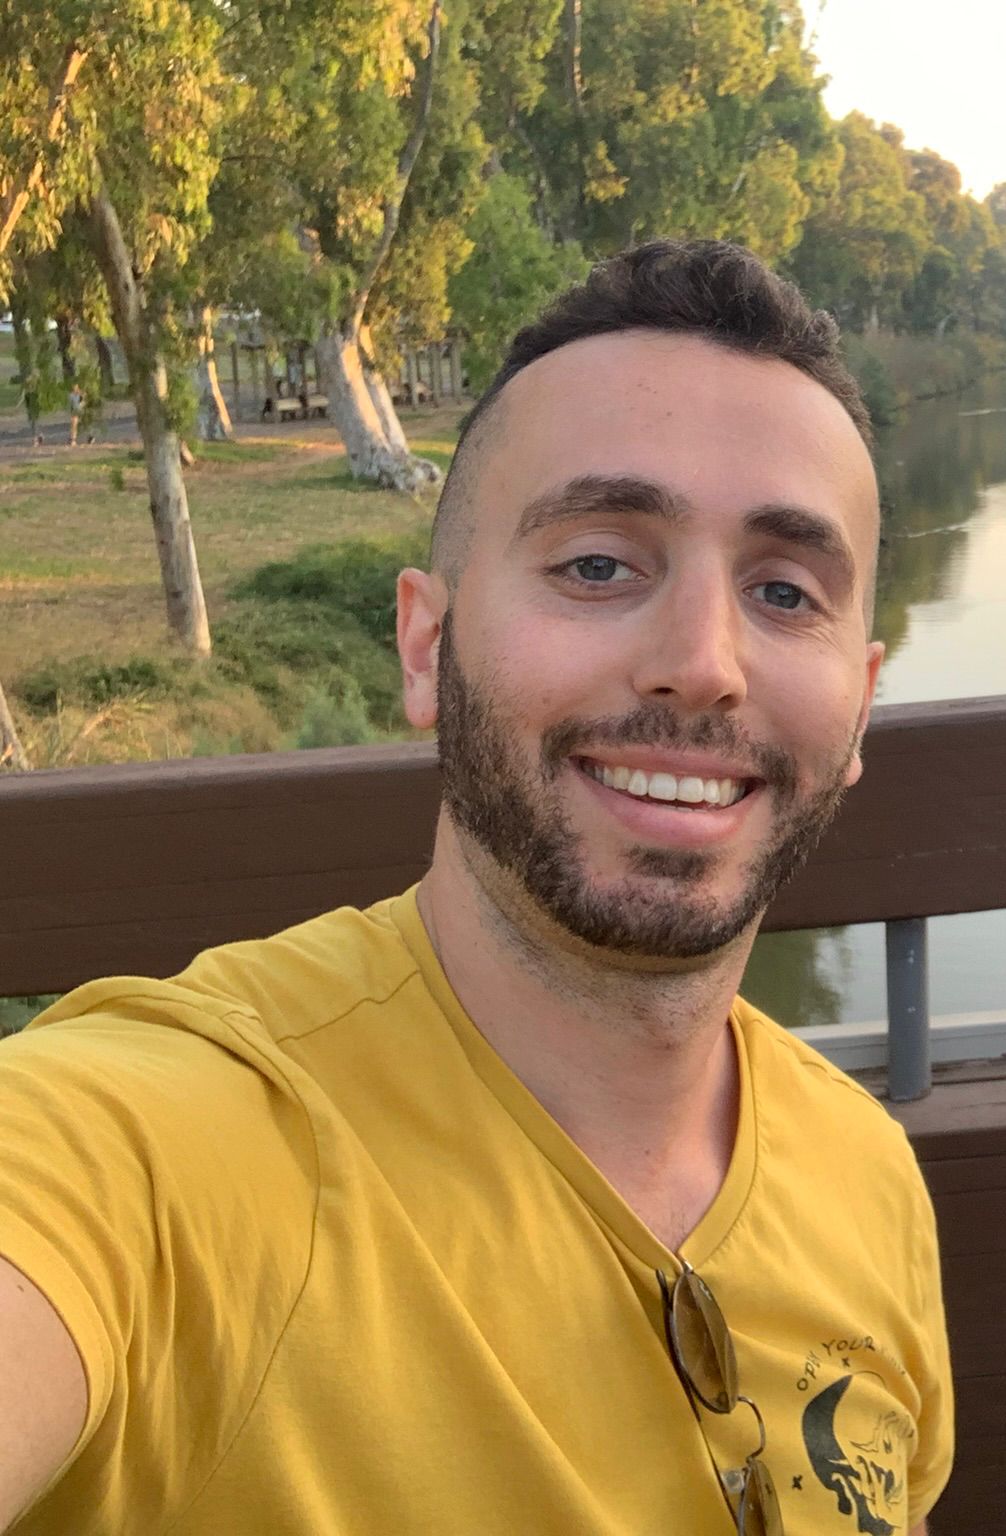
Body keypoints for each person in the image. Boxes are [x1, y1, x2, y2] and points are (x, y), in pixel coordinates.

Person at [0, 240, 953, 1535]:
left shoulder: (864, 1172)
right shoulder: (168, 1154)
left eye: (785, 591)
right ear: (425, 644)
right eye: (599, 564)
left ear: (860, 710)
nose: (703, 663)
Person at [65, 384, 82, 448]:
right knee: (73, 426)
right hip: (73, 412)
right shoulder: (71, 395)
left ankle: (73, 439)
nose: (76, 389)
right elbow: (70, 405)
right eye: (75, 387)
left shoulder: (78, 395)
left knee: (75, 426)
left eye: (77, 387)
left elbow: (81, 401)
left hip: (77, 411)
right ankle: (72, 440)